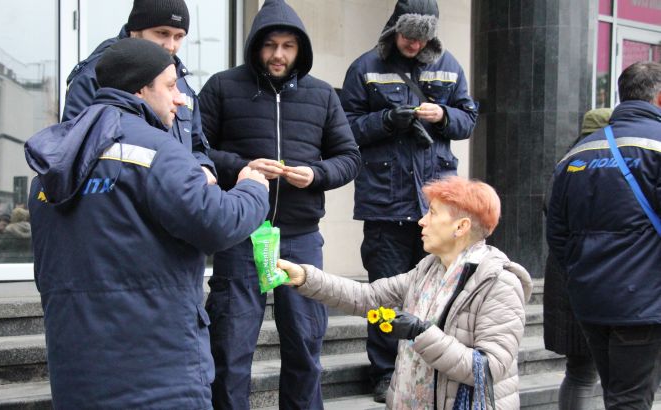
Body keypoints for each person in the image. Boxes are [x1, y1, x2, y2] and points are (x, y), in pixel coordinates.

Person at [25, 38, 270, 408]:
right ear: (140, 89)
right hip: (159, 375)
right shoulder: (159, 150)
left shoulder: (54, 160)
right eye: (170, 86)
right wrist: (253, 187)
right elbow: (218, 222)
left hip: (76, 375)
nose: (180, 99)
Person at [198, 0, 361, 408]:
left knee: (305, 349)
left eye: (288, 46)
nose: (278, 55)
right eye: (271, 44)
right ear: (256, 45)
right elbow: (196, 148)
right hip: (239, 236)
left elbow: (350, 157)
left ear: (300, 49)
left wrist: (317, 174)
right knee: (230, 350)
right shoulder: (221, 86)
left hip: (301, 240)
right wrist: (242, 168)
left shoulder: (323, 95)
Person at [278, 176, 531, 409]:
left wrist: (421, 333)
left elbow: (487, 369)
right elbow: (369, 297)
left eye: (432, 213)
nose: (422, 220)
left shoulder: (499, 283)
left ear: (461, 227)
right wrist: (305, 277)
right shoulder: (428, 269)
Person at [339, 0, 478, 401]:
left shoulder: (449, 63)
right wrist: (385, 121)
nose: (413, 44)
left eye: (421, 38)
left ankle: (429, 363)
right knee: (384, 289)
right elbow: (344, 127)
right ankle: (384, 372)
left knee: (439, 290)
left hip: (438, 205)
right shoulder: (365, 67)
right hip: (385, 204)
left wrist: (444, 116)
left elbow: (469, 118)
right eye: (407, 36)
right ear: (393, 29)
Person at [547, 61, 661, 410]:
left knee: (617, 395)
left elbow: (557, 234)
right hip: (642, 303)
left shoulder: (575, 154)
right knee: (629, 400)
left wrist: (586, 274)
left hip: (590, 301)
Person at [62, 0, 216, 184]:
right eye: (162, 33)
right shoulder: (94, 76)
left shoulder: (179, 80)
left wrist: (203, 168)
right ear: (135, 31)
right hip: (125, 205)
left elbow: (196, 145)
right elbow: (74, 152)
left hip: (173, 201)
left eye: (179, 36)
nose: (170, 45)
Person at [542, 108, 612, 410]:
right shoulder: (609, 167)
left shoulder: (566, 163)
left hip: (567, 279)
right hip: (601, 279)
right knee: (604, 376)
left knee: (580, 372)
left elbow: (553, 223)